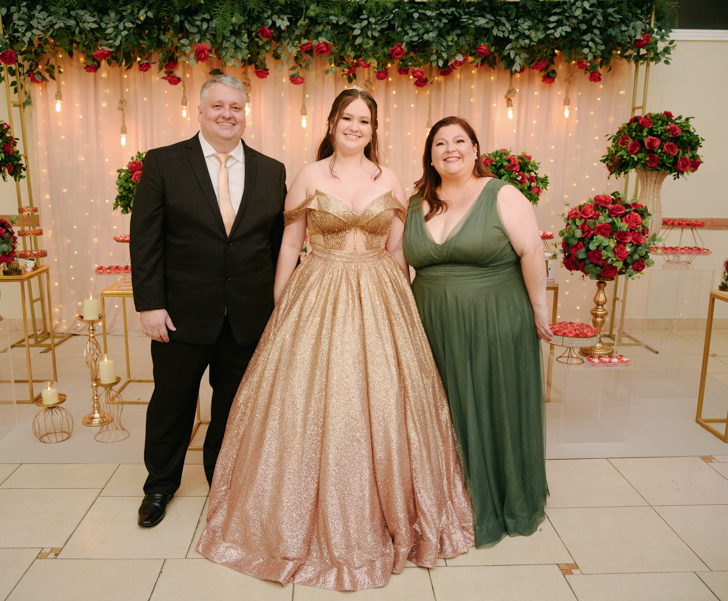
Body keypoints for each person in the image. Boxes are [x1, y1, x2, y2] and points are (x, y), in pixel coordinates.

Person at [198, 89, 474, 590]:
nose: (355, 127)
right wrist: (283, 302)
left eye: (364, 120)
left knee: (384, 400)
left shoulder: (388, 179)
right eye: (347, 118)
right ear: (331, 122)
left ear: (374, 129)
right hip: (317, 287)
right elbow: (289, 241)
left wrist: (404, 309)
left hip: (379, 291)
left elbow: (395, 248)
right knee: (308, 401)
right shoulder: (308, 175)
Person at [129, 74, 286, 528]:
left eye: (235, 107)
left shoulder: (270, 170)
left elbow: (277, 247)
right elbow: (146, 240)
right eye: (217, 106)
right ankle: (159, 486)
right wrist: (149, 304)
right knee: (172, 403)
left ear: (245, 113)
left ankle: (225, 482)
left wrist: (279, 307)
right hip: (179, 315)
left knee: (234, 406)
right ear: (199, 112)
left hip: (247, 314)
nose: (226, 115)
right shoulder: (163, 163)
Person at [402, 116, 552, 548]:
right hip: (430, 325)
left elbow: (532, 250)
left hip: (495, 323)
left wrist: (540, 311)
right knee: (442, 414)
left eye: (459, 141)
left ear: (474, 148)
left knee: (492, 405)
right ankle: (445, 504)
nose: (450, 149)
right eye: (440, 143)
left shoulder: (502, 194)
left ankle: (495, 499)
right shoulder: (414, 204)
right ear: (430, 155)